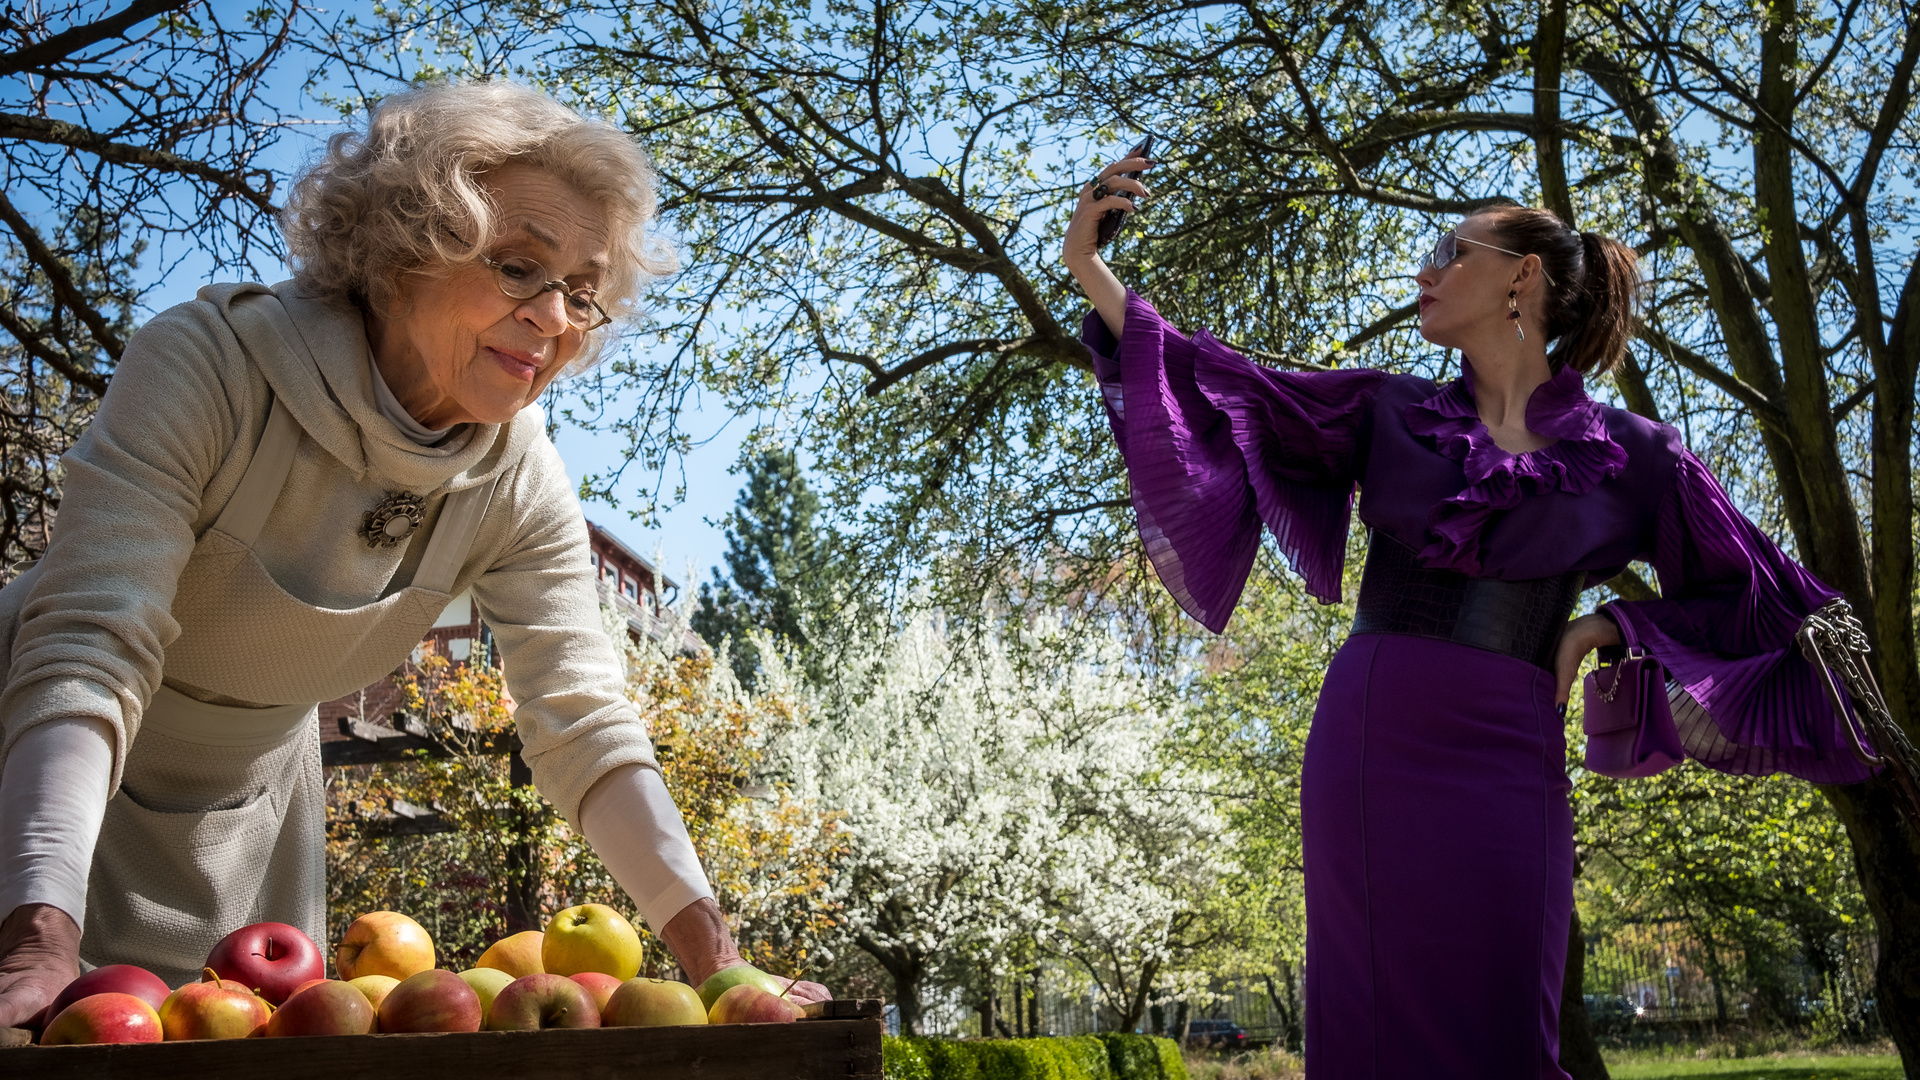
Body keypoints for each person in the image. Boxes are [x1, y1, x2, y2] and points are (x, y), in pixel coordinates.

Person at [0, 81, 826, 1024]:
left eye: (583, 294)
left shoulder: (518, 476)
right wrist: (35, 935)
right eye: (520, 268)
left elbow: (582, 719)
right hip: (35, 776)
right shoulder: (209, 367)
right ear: (403, 252)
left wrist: (719, 968)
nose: (556, 320)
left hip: (250, 817)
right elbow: (88, 646)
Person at [1063, 155, 1873, 1077]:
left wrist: (1611, 629)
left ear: (1522, 275)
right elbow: (1227, 386)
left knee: (1508, 1025)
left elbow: (1770, 603)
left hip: (1509, 747)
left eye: (1453, 252)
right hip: (1372, 737)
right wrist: (1094, 273)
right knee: (1367, 1021)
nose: (1426, 273)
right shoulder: (1389, 410)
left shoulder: (1638, 456)